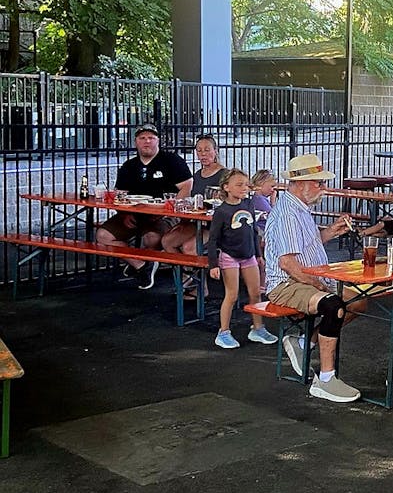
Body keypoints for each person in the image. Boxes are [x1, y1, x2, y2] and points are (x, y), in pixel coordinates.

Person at [263, 153, 362, 403]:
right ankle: (325, 380)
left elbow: (305, 246)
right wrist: (319, 284)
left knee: (358, 302)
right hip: (286, 284)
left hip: (302, 278)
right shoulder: (289, 213)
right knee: (334, 305)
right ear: (300, 183)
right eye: (319, 183)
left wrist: (329, 232)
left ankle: (305, 342)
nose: (323, 188)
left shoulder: (299, 207)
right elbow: (287, 263)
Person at [95, 123, 192, 289]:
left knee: (152, 238)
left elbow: (187, 185)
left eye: (151, 138)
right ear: (135, 142)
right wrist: (124, 213)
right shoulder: (129, 166)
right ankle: (140, 265)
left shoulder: (171, 160)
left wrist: (170, 209)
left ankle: (146, 261)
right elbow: (120, 193)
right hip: (133, 214)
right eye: (142, 138)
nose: (147, 141)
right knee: (103, 236)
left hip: (163, 215)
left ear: (158, 141)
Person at [208, 169, 277, 350]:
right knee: (231, 294)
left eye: (246, 184)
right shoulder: (221, 211)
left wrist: (258, 255)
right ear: (226, 187)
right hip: (230, 256)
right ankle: (223, 332)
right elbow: (213, 239)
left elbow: (253, 231)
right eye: (239, 185)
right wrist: (213, 264)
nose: (244, 188)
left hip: (249, 256)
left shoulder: (248, 205)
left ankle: (258, 327)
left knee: (255, 293)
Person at [161, 134, 227, 296]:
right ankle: (186, 277)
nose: (203, 154)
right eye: (199, 151)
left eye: (207, 150)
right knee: (167, 241)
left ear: (215, 151)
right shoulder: (197, 175)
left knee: (189, 246)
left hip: (216, 225)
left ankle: (199, 287)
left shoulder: (225, 175)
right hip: (196, 221)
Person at [250, 169, 276, 288]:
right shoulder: (259, 200)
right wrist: (273, 201)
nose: (272, 189)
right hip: (263, 233)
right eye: (271, 186)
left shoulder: (258, 199)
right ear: (261, 184)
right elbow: (274, 217)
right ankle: (263, 283)